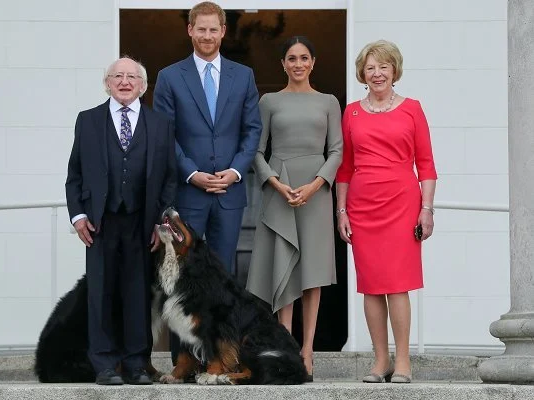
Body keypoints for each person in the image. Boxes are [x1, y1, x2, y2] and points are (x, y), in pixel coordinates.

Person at [65, 57, 176, 385]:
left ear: (143, 86)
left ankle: (137, 365)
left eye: (132, 77)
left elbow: (170, 177)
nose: (125, 82)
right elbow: (75, 175)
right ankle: (104, 365)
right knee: (100, 294)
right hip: (100, 223)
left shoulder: (161, 124)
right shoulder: (87, 121)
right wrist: (78, 215)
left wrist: (163, 223)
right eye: (118, 77)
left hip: (143, 224)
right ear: (107, 83)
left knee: (138, 295)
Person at [335, 40, 437, 384]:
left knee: (398, 284)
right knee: (371, 286)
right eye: (370, 68)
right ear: (363, 74)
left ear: (395, 71)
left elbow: (426, 165)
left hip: (403, 204)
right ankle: (380, 361)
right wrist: (341, 211)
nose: (377, 74)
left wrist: (427, 210)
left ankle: (404, 360)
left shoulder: (413, 108)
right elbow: (345, 168)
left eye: (383, 67)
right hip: (363, 206)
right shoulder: (351, 112)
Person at [246, 36, 343, 381]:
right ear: (283, 64)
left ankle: (307, 351)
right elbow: (255, 151)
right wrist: (275, 182)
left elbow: (337, 150)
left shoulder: (329, 101)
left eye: (304, 57)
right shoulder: (269, 100)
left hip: (315, 191)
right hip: (281, 188)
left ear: (313, 62)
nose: (298, 63)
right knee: (282, 266)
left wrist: (316, 185)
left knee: (312, 272)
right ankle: (285, 346)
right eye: (291, 58)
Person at [153, 1, 262, 275]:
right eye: (201, 29)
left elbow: (252, 130)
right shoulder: (169, 77)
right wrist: (191, 173)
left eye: (213, 29)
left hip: (229, 194)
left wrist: (236, 171)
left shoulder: (244, 76)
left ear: (223, 31)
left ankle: (220, 321)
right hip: (188, 193)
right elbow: (164, 135)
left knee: (223, 274)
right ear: (190, 30)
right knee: (181, 272)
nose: (207, 36)